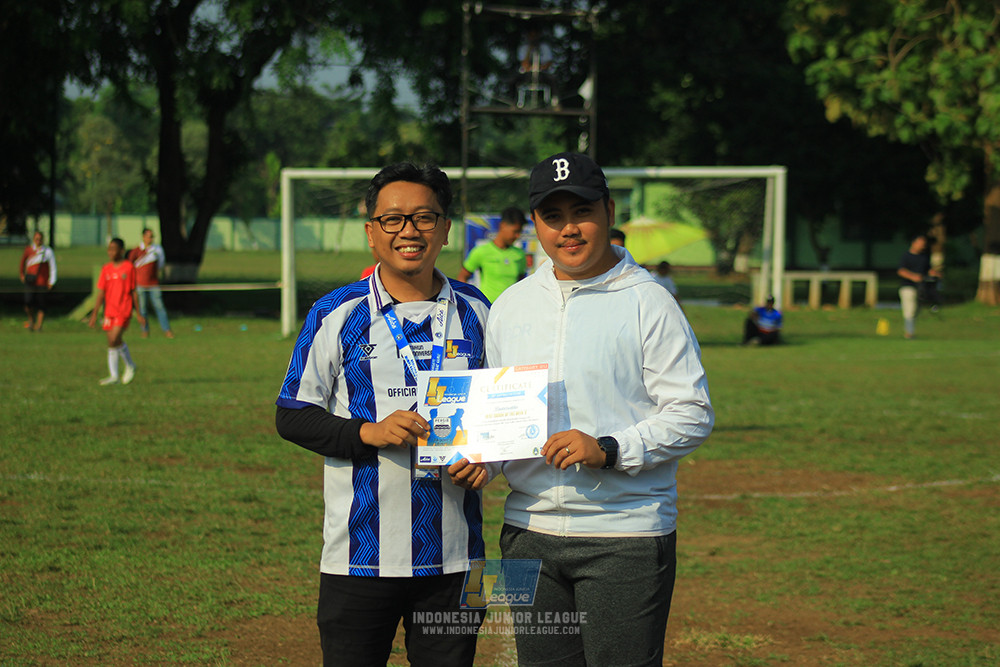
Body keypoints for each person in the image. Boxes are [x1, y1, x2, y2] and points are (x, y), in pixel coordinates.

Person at [450, 152, 714, 666]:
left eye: (582, 212)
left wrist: (610, 448)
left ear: (609, 212)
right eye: (553, 216)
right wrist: (484, 458)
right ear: (535, 224)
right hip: (527, 534)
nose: (568, 229)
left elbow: (692, 412)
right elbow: (503, 417)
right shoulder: (511, 304)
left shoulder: (650, 302)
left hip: (625, 536)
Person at [275, 163, 490, 667]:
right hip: (356, 558)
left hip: (458, 558)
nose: (409, 231)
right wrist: (368, 431)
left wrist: (490, 460)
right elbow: (293, 414)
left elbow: (501, 410)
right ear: (372, 232)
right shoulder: (335, 312)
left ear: (445, 229)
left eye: (424, 218)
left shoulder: (479, 310)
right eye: (393, 219)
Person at [88, 238, 145, 385]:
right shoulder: (106, 269)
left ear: (121, 251)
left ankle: (129, 365)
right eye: (109, 249)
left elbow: (133, 291)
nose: (111, 252)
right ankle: (115, 376)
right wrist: (94, 314)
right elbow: (101, 292)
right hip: (109, 311)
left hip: (123, 309)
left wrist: (139, 313)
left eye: (114, 249)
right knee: (112, 342)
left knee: (114, 338)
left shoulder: (128, 267)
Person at [457, 206, 527, 302]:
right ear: (503, 225)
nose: (517, 236)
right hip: (488, 307)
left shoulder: (520, 254)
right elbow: (462, 277)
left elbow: (521, 283)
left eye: (519, 232)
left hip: (511, 307)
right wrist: (468, 300)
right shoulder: (481, 251)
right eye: (515, 231)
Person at [127, 228, 174, 339]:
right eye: (149, 236)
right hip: (140, 284)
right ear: (143, 237)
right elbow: (129, 266)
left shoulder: (157, 250)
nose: (151, 239)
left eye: (152, 236)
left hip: (153, 284)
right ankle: (145, 330)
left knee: (159, 307)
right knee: (142, 309)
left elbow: (160, 264)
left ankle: (167, 330)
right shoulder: (136, 251)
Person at [897, 234, 940, 339]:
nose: (922, 246)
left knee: (916, 310)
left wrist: (934, 273)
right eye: (920, 243)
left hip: (920, 288)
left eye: (923, 244)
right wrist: (913, 277)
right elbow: (901, 271)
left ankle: (910, 330)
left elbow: (927, 270)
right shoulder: (906, 256)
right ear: (914, 243)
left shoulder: (924, 257)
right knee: (909, 309)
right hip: (908, 286)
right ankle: (909, 333)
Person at [19, 230, 57, 332]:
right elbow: (22, 262)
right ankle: (31, 320)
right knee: (28, 302)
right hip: (30, 281)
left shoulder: (48, 251)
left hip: (42, 282)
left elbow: (53, 267)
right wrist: (22, 274)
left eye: (40, 239)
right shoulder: (29, 250)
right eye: (36, 239)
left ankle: (39, 326)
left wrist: (52, 281)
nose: (38, 241)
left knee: (42, 304)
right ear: (33, 239)